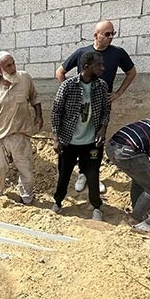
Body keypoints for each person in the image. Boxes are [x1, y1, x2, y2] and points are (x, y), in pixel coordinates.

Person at [57, 20, 137, 193]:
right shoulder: (82, 53)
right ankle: (82, 174)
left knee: (96, 141)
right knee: (79, 139)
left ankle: (93, 174)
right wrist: (71, 94)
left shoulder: (118, 53)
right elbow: (60, 72)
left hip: (101, 106)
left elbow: (132, 73)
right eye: (106, 34)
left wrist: (117, 94)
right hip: (81, 107)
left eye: (113, 34)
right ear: (96, 35)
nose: (110, 37)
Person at [50, 51, 110, 221]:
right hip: (69, 141)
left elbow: (106, 110)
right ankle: (58, 202)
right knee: (64, 174)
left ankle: (96, 206)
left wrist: (102, 129)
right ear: (86, 67)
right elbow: (56, 112)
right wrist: (56, 138)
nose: (102, 68)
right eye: (98, 65)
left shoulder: (102, 86)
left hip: (92, 142)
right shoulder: (68, 86)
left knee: (93, 174)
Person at [0, 52, 43, 205]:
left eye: (13, 63)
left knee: (25, 170)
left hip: (20, 134)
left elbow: (35, 97)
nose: (13, 68)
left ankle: (27, 199)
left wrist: (38, 116)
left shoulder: (25, 78)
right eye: (8, 65)